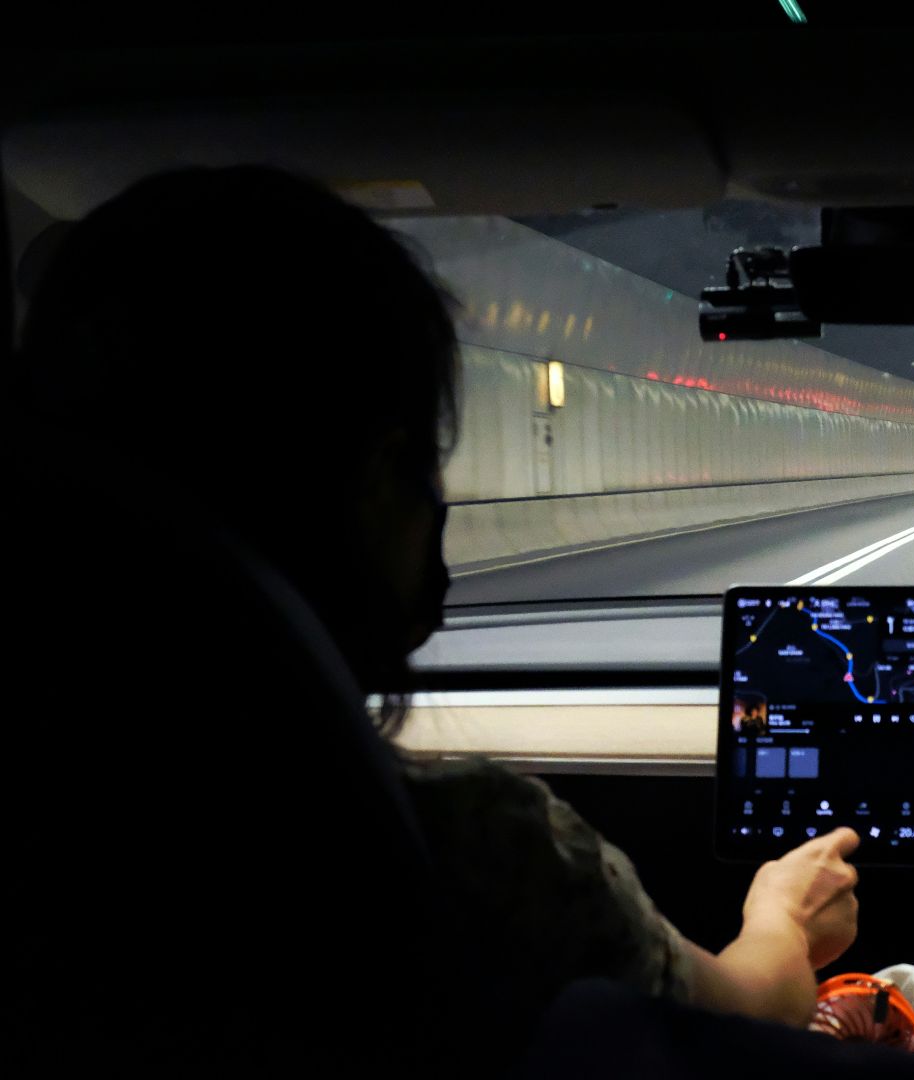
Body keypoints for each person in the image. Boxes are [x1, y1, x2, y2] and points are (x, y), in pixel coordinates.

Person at [12, 166, 864, 1065]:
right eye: (426, 458)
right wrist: (781, 917)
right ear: (377, 484)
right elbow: (742, 1017)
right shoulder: (472, 850)